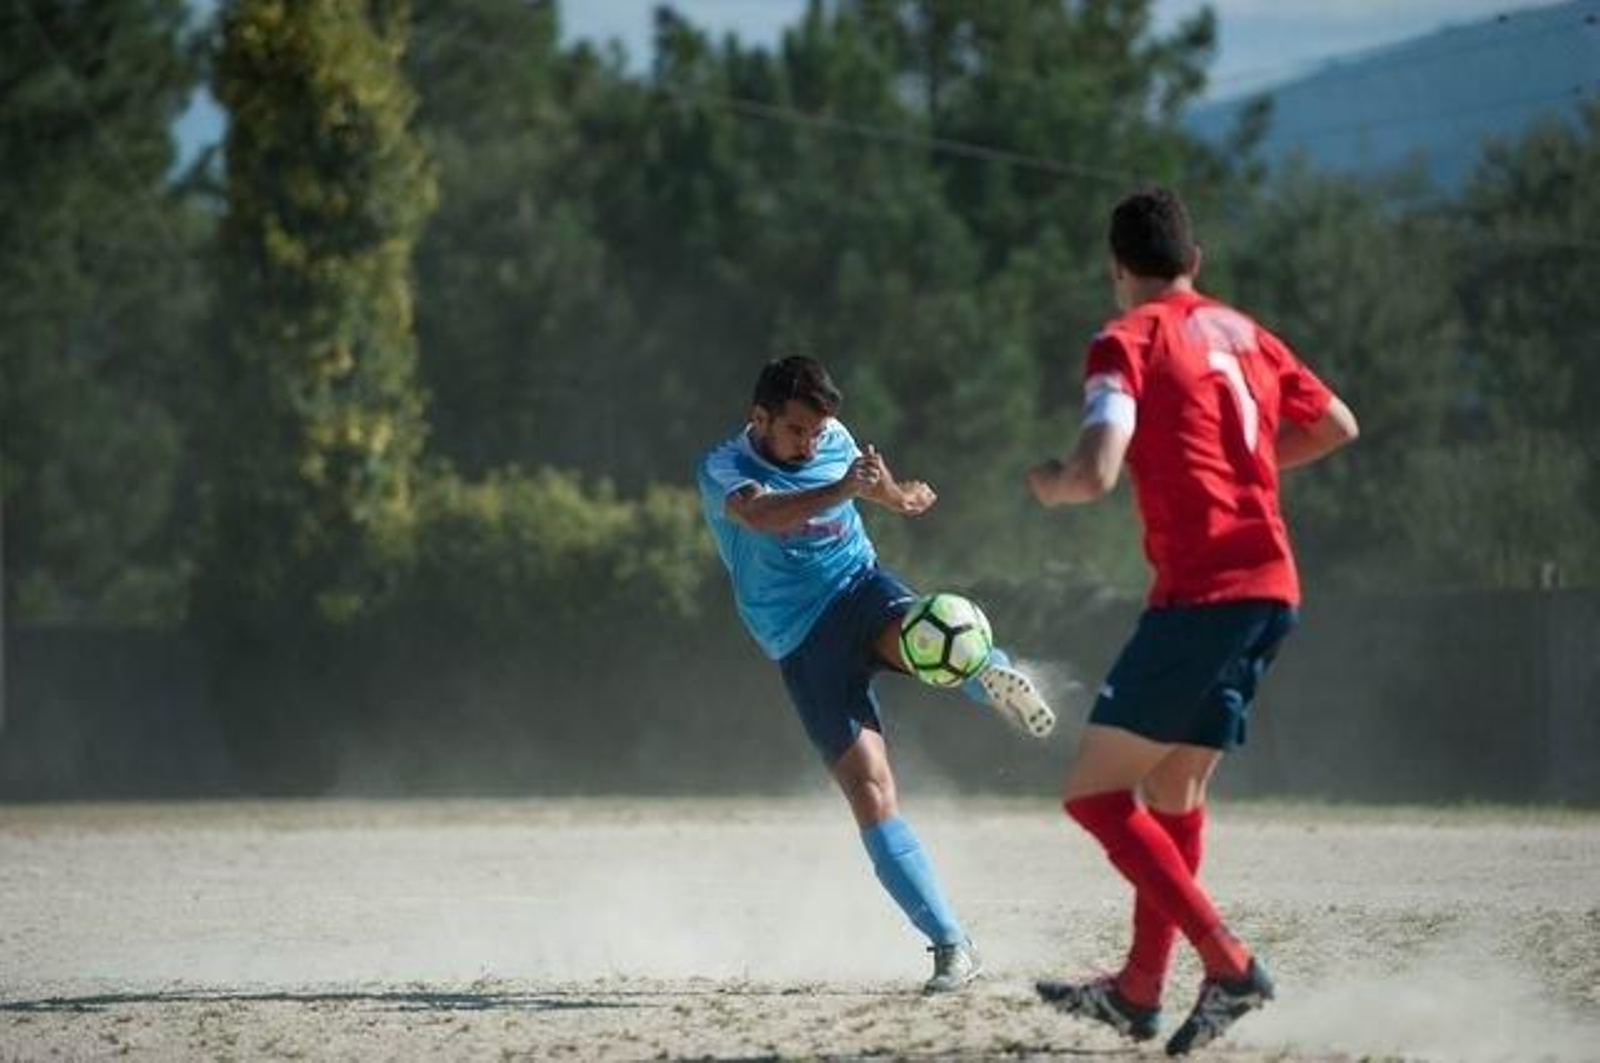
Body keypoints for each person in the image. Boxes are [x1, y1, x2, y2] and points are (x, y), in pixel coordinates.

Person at [1026, 188, 1359, 1055]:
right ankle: (1139, 992)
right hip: (1272, 588)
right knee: (1174, 789)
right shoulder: (1244, 333)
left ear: (1117, 268)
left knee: (1094, 795)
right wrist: (1248, 465)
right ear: (1195, 262)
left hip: (1204, 596)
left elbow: (1099, 469)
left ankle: (1229, 964)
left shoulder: (1124, 338)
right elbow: (1335, 424)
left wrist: (1056, 481)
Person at [697, 354, 1057, 992]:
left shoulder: (833, 437)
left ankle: (996, 677)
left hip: (860, 587)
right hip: (802, 640)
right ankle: (952, 944)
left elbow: (873, 482)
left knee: (931, 633)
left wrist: (900, 495)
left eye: (818, 431)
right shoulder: (724, 468)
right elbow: (760, 516)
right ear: (760, 419)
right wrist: (844, 490)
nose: (811, 442)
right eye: (797, 431)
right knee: (870, 793)